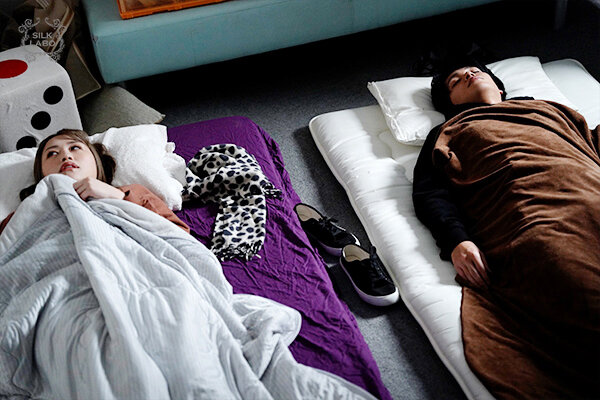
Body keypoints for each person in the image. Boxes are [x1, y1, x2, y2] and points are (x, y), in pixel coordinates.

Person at [412, 55, 600, 399]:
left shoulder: (548, 108)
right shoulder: (449, 131)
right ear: (450, 103)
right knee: (576, 282)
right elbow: (430, 193)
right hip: (535, 215)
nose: (469, 74)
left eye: (475, 70)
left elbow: (590, 142)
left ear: (499, 86)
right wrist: (456, 241)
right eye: (455, 80)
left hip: (590, 190)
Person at [0, 129, 189, 235]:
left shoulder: (132, 193)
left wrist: (118, 197)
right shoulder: (25, 213)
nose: (65, 156)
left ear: (96, 160)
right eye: (52, 153)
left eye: (75, 148)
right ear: (41, 173)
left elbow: (179, 237)